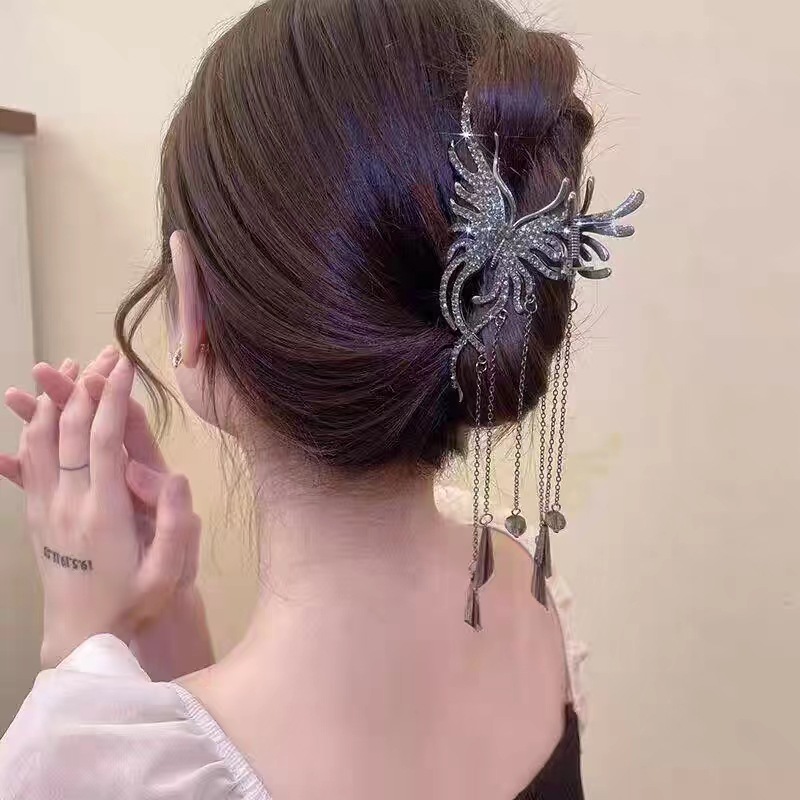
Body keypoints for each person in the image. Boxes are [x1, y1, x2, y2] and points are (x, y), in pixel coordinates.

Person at [0, 0, 599, 797]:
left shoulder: (72, 760)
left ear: (191, 307)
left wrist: (81, 652)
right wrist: (166, 620)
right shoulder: (525, 590)